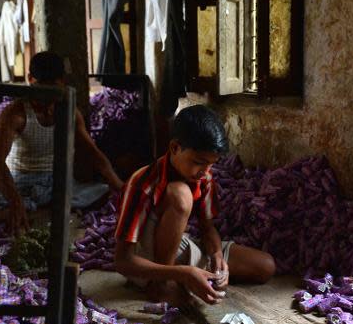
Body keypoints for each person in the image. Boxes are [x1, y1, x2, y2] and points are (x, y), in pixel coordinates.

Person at [114, 105, 275, 305]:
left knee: (265, 266)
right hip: (146, 256)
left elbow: (207, 229)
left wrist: (217, 256)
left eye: (211, 164)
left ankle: (180, 276)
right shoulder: (142, 183)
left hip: (177, 244)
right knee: (181, 194)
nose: (204, 170)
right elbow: (122, 261)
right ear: (174, 148)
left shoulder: (204, 177)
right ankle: (161, 283)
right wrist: (183, 273)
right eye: (198, 161)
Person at [0, 51, 124, 234]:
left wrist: (119, 185)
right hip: (23, 183)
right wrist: (15, 201)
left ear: (63, 82)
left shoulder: (69, 111)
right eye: (43, 88)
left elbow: (92, 152)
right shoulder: (15, 114)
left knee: (104, 193)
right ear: (30, 79)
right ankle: (37, 211)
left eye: (54, 88)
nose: (47, 97)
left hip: (58, 181)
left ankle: (40, 212)